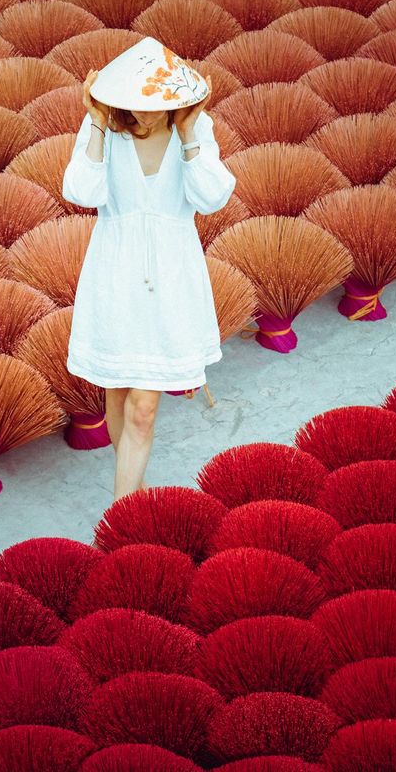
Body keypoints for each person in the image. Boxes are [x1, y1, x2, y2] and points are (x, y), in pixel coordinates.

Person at [61, 37, 237, 501]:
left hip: (173, 277)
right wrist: (98, 123)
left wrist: (190, 135)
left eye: (152, 104)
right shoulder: (104, 127)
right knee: (118, 394)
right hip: (114, 273)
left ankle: (119, 518)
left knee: (143, 407)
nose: (141, 112)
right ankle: (134, 497)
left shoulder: (197, 128)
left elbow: (212, 197)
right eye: (132, 103)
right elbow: (81, 191)